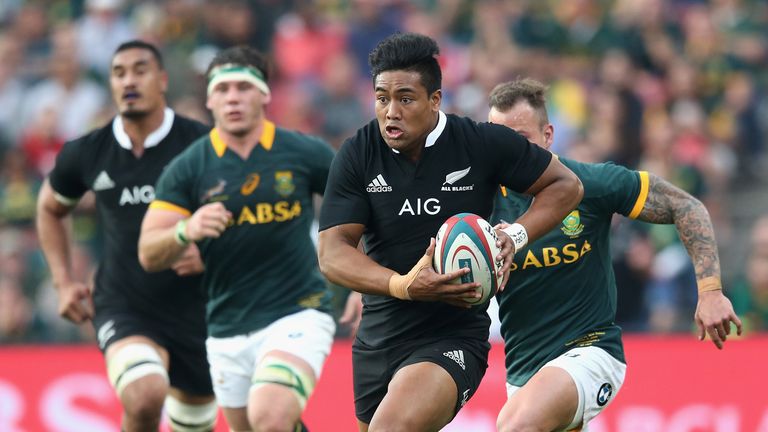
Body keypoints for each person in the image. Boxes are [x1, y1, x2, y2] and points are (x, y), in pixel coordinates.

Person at [317, 33, 583, 432]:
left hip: (452, 335)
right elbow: (332, 252)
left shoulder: (479, 143)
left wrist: (514, 236)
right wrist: (402, 285)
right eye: (382, 97)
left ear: (435, 100)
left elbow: (567, 186)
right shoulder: (358, 153)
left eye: (405, 98)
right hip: (378, 336)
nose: (391, 111)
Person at [487, 78, 743, 432]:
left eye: (521, 140)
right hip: (522, 370)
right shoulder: (479, 204)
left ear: (548, 135)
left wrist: (711, 290)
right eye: (498, 141)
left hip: (590, 351)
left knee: (516, 425)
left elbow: (686, 206)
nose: (509, 153)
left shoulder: (587, 184)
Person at [137, 45, 336, 432]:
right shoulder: (189, 168)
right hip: (227, 325)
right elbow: (148, 251)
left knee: (269, 417)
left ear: (264, 94)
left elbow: (362, 206)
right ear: (209, 98)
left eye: (243, 88)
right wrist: (185, 230)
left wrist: (366, 283)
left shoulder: (303, 152)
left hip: (297, 311)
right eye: (223, 88)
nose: (232, 97)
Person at [36, 40, 217, 432]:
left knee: (195, 423)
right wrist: (63, 280)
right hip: (124, 302)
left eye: (140, 70)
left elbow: (245, 214)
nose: (128, 81)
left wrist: (210, 253)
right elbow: (50, 207)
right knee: (144, 394)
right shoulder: (87, 152)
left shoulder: (203, 145)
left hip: (198, 309)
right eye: (119, 73)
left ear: (162, 80)